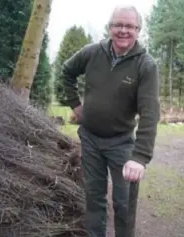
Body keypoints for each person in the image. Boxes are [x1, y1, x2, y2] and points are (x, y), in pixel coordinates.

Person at [60, 4, 160, 237]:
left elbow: (150, 112)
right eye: (118, 25)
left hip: (121, 143)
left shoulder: (145, 65)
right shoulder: (92, 52)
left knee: (124, 204)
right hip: (91, 139)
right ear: (110, 27)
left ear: (138, 30)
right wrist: (75, 104)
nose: (123, 30)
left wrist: (140, 157)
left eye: (129, 26)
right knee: (93, 198)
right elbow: (67, 71)